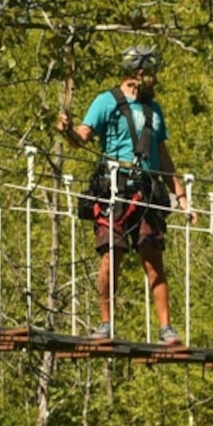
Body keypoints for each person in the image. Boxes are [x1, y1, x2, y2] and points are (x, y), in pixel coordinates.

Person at [58, 45, 185, 344]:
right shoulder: (106, 102)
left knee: (153, 257)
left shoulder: (155, 110)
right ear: (139, 74)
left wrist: (180, 193)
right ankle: (105, 324)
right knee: (110, 255)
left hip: (147, 190)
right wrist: (67, 132)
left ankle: (166, 328)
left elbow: (162, 155)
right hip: (114, 189)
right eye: (152, 76)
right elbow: (83, 137)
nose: (155, 81)